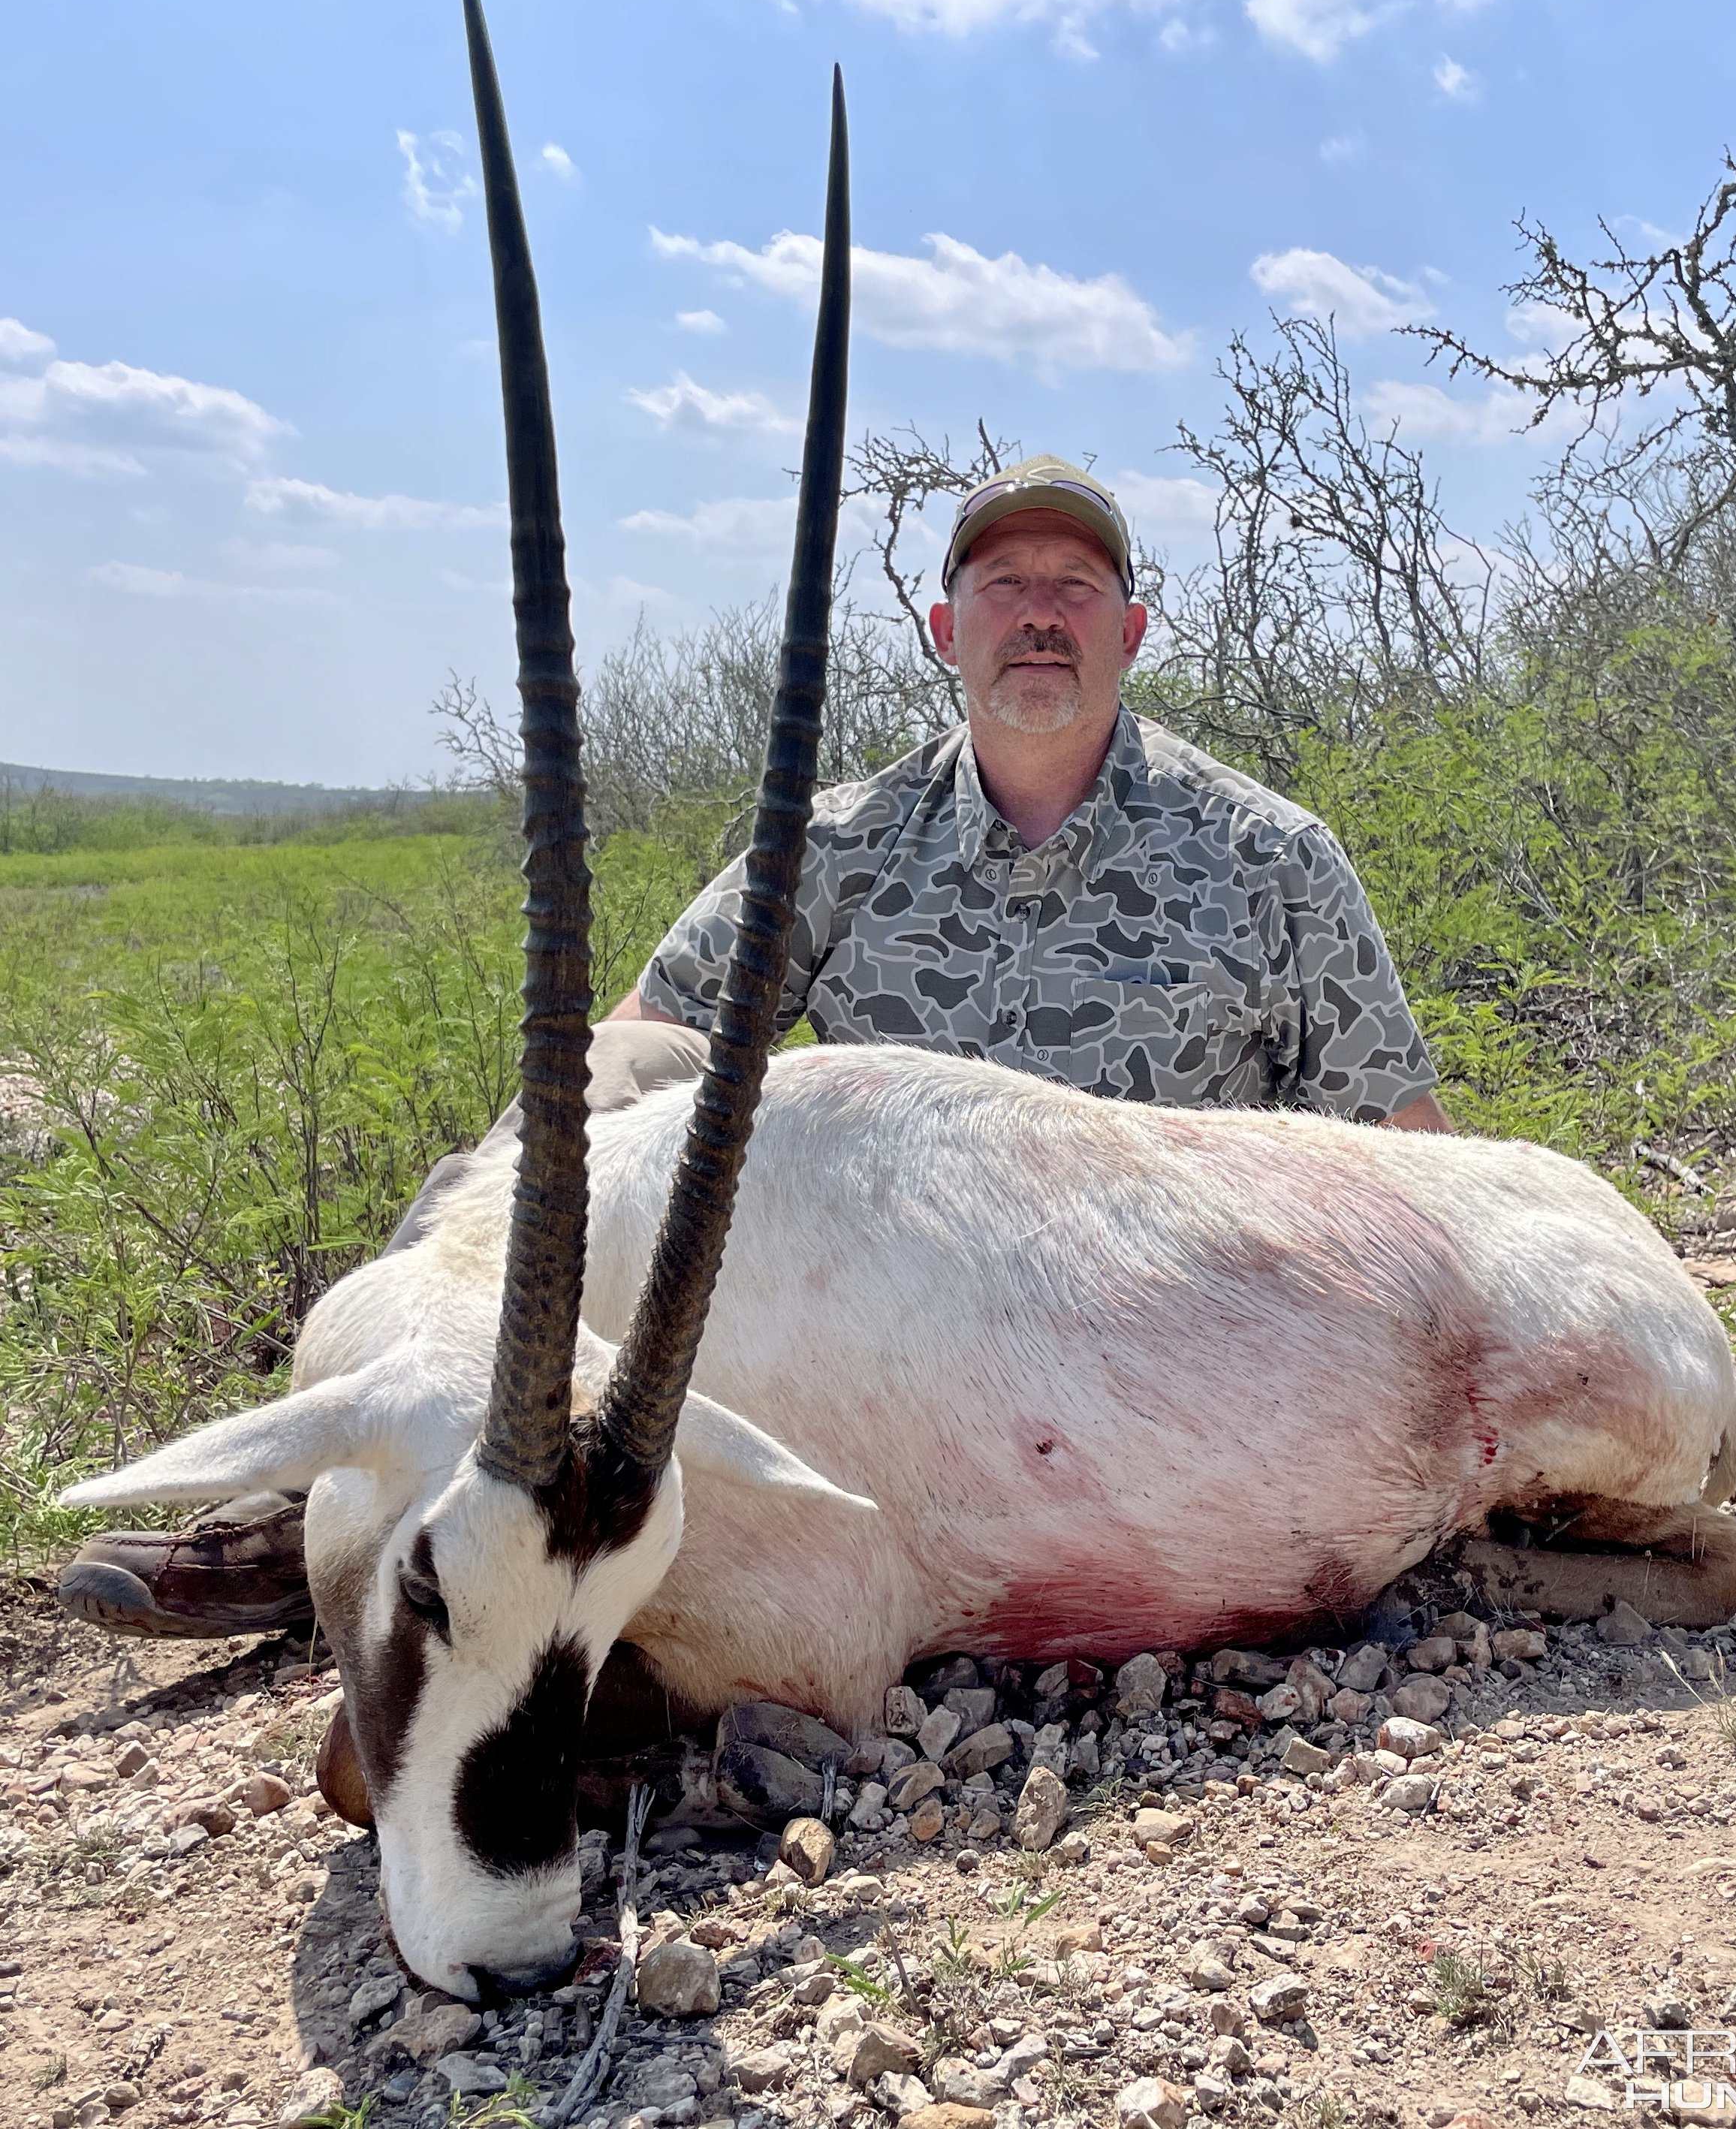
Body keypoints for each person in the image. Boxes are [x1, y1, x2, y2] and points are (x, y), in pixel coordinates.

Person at [58, 455, 1446, 1640]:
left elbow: (1408, 1162)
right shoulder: (831, 842)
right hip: (893, 1362)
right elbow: (650, 1037)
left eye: (1072, 588)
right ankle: (362, 1475)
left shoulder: (1271, 857)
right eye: (1002, 588)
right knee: (593, 1088)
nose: (1038, 616)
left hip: (1156, 1362)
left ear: (1130, 629)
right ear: (940, 627)